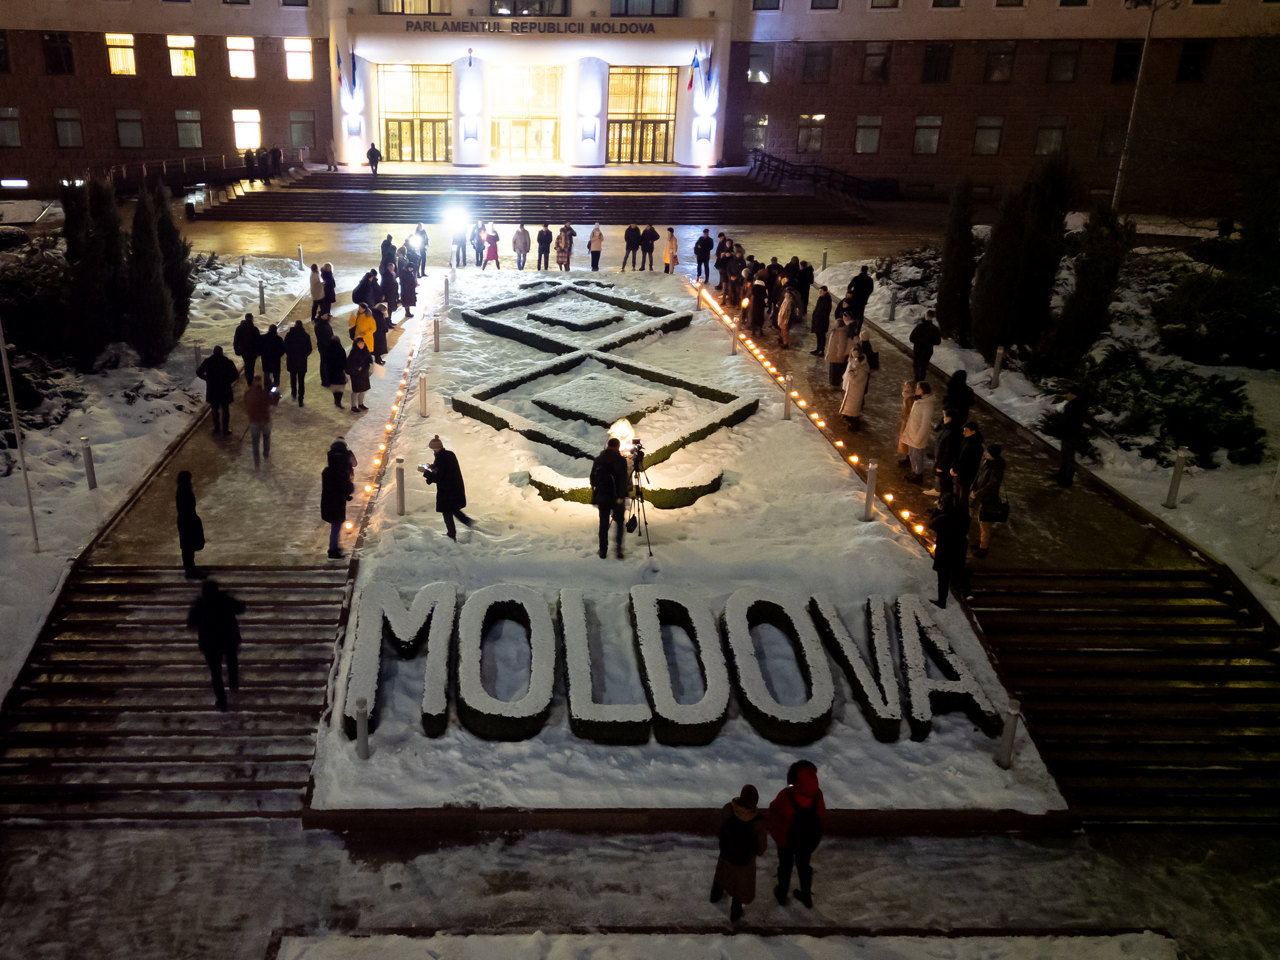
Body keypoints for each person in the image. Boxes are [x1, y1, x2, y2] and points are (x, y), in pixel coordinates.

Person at [769, 760, 825, 909]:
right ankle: (806, 896)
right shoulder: (817, 795)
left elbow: (774, 810)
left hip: (786, 839)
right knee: (804, 866)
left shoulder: (786, 794)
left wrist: (778, 835)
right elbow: (820, 814)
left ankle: (782, 894)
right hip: (807, 840)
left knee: (785, 867)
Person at [710, 784, 768, 925]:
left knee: (722, 874)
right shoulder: (758, 821)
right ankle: (735, 912)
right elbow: (761, 849)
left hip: (726, 853)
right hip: (745, 861)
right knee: (741, 887)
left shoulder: (728, 809)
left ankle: (715, 895)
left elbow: (720, 830)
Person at [187, 579, 245, 712]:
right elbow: (241, 608)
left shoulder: (200, 605)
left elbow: (191, 623)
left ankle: (222, 701)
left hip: (211, 644)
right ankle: (233, 683)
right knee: (232, 661)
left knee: (216, 673)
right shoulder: (224, 600)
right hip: (228, 639)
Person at [421, 435, 473, 540]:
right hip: (455, 488)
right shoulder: (449, 454)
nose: (433, 451)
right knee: (453, 509)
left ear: (435, 448)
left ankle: (452, 535)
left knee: (447, 512)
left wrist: (425, 472)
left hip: (447, 491)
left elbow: (439, 477)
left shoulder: (441, 459)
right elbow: (444, 470)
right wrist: (432, 467)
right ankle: (468, 523)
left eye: (433, 449)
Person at [590, 437, 630, 560]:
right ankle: (618, 551)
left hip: (602, 497)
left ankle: (603, 551)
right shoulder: (621, 460)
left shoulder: (598, 460)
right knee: (619, 524)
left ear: (607, 445)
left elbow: (592, 479)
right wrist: (621, 496)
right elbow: (623, 481)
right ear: (618, 447)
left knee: (603, 524)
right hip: (616, 498)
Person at [928, 492, 969, 608]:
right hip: (959, 548)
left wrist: (937, 510)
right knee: (960, 570)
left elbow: (931, 524)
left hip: (945, 550)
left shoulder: (943, 519)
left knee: (943, 577)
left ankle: (942, 601)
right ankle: (967, 592)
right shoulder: (964, 517)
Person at [970, 442, 1006, 558]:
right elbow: (979, 476)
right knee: (981, 521)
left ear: (992, 455)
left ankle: (983, 548)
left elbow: (992, 485)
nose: (985, 453)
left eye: (987, 452)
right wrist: (973, 489)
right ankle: (981, 543)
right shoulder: (987, 462)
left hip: (987, 499)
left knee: (985, 524)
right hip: (980, 496)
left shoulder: (996, 468)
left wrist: (978, 493)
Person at [901, 381, 940, 484]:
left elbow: (924, 424)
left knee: (917, 456)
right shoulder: (919, 401)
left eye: (918, 388)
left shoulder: (927, 405)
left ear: (924, 391)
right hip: (913, 433)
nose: (916, 390)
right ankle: (914, 472)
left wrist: (918, 438)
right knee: (912, 455)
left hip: (917, 436)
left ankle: (918, 475)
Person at [196, 345, 238, 437]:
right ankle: (225, 429)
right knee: (225, 410)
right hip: (225, 390)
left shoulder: (208, 362)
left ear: (214, 352)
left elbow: (199, 372)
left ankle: (216, 429)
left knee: (215, 410)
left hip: (213, 390)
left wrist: (207, 379)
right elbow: (235, 374)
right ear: (222, 352)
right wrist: (228, 381)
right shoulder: (227, 362)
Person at [321, 449, 355, 559]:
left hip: (328, 502)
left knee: (335, 527)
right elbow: (346, 487)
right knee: (336, 527)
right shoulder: (341, 473)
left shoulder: (327, 471)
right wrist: (349, 488)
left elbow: (333, 487)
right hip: (337, 504)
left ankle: (334, 547)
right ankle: (333, 550)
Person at [1053, 388, 1088, 487]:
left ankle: (1067, 480)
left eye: (1069, 393)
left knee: (1068, 457)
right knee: (1065, 456)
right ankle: (1062, 475)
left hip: (1071, 435)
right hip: (1069, 434)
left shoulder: (1075, 406)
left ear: (1073, 395)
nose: (1067, 395)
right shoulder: (1074, 404)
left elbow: (1071, 421)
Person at [242, 377, 279, 470]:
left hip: (254, 421)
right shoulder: (265, 394)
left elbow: (246, 407)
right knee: (266, 439)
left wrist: (251, 415)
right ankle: (266, 455)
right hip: (265, 420)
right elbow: (274, 402)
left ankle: (257, 462)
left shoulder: (248, 394)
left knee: (255, 442)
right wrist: (276, 393)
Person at [176, 471, 205, 579]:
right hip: (187, 521)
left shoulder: (182, 489)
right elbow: (187, 508)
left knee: (188, 546)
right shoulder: (184, 490)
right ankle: (190, 570)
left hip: (186, 521)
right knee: (188, 547)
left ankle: (190, 569)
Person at [840, 340, 872, 430]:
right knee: (850, 406)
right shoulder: (854, 362)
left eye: (856, 355)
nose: (854, 357)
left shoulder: (863, 368)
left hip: (856, 391)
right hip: (851, 388)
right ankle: (848, 417)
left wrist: (851, 373)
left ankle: (854, 426)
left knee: (854, 409)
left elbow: (856, 379)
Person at [931, 409, 962, 497]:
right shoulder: (947, 428)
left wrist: (941, 465)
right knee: (943, 484)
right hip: (942, 461)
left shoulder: (953, 432)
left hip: (946, 464)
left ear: (950, 418)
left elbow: (949, 451)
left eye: (945, 416)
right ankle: (941, 503)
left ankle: (944, 504)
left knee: (946, 485)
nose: (943, 418)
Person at [952, 421, 985, 502]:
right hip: (961, 473)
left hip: (966, 475)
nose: (963, 433)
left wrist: (956, 470)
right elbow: (959, 455)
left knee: (962, 496)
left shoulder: (975, 446)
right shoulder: (967, 441)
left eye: (966, 430)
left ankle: (961, 513)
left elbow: (965, 460)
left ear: (973, 432)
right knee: (958, 495)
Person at [284, 320, 312, 406]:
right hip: (302, 362)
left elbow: (285, 347)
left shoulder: (289, 335)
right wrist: (304, 355)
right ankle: (301, 399)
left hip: (292, 361)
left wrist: (289, 354)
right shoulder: (306, 336)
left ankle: (293, 393)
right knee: (301, 381)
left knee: (293, 378)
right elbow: (309, 349)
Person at [910, 310, 942, 383]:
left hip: (918, 349)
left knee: (917, 364)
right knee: (924, 365)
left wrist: (919, 341)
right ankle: (921, 381)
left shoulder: (919, 327)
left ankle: (917, 379)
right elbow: (938, 341)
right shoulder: (935, 329)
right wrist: (929, 342)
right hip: (928, 350)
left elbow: (911, 338)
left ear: (925, 316)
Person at [232, 313, 261, 385]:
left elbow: (236, 340)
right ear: (251, 319)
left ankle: (249, 378)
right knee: (251, 365)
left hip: (244, 351)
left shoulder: (239, 328)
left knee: (247, 364)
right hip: (253, 351)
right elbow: (259, 341)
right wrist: (259, 351)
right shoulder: (254, 329)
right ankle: (250, 379)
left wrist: (237, 350)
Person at [824, 317, 851, 388]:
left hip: (836, 356)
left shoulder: (841, 333)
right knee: (832, 370)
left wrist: (839, 355)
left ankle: (835, 384)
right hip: (833, 354)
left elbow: (841, 345)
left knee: (835, 371)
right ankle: (832, 383)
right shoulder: (835, 331)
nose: (834, 324)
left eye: (836, 323)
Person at [346, 336, 372, 412]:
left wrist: (363, 366)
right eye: (359, 343)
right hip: (356, 375)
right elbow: (349, 364)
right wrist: (357, 368)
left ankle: (361, 404)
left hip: (364, 374)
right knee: (356, 390)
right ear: (356, 344)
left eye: (362, 343)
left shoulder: (366, 351)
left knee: (363, 389)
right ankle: (353, 406)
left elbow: (369, 360)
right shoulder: (353, 353)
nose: (361, 345)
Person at [896, 378, 918, 466]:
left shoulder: (910, 400)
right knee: (905, 442)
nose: (905, 389)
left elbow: (910, 413)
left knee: (908, 443)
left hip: (909, 425)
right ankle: (907, 457)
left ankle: (908, 459)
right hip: (906, 423)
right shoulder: (907, 398)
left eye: (907, 387)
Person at [258, 323, 284, 392]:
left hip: (266, 360)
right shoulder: (279, 339)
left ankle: (267, 390)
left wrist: (262, 354)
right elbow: (282, 350)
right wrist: (278, 355)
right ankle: (275, 390)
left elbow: (259, 348)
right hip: (276, 361)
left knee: (266, 374)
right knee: (276, 376)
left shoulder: (263, 338)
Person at [323, 336, 348, 408]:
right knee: (340, 387)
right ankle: (338, 401)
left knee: (334, 386)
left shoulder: (327, 349)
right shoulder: (341, 349)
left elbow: (324, 360)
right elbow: (344, 361)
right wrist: (345, 369)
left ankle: (336, 400)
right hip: (339, 372)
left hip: (330, 371)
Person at [809, 285, 832, 356]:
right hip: (818, 321)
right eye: (819, 291)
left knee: (821, 336)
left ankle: (821, 350)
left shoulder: (827, 300)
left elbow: (825, 311)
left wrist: (818, 317)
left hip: (822, 322)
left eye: (821, 291)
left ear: (825, 291)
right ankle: (818, 349)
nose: (820, 293)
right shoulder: (821, 298)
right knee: (818, 335)